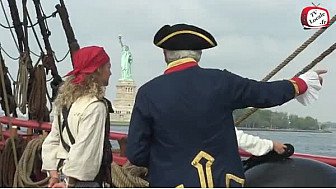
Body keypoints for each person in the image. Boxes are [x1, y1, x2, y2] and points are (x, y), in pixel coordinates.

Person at [126, 23, 326, 187]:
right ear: (198, 54)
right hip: (223, 182)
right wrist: (302, 83)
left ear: (165, 54)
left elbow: (136, 153)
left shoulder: (148, 93)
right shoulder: (221, 81)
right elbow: (265, 94)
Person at [41, 46, 113, 188]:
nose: (110, 72)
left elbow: (53, 139)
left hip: (62, 173)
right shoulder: (95, 106)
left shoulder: (66, 102)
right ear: (98, 69)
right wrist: (69, 183)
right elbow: (85, 148)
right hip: (80, 182)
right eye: (108, 67)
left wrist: (54, 174)